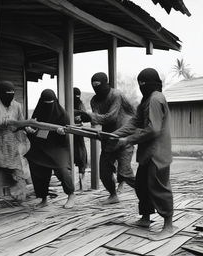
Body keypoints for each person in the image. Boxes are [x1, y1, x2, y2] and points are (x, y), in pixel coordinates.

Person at [108, 68, 174, 240]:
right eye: (140, 83)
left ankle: (168, 226)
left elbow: (153, 129)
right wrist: (117, 134)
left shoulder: (156, 99)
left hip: (158, 153)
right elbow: (135, 122)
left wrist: (127, 140)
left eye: (144, 83)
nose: (142, 86)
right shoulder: (146, 100)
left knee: (159, 188)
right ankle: (145, 218)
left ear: (152, 83)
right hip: (147, 153)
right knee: (142, 186)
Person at [79, 72, 135, 204]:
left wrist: (89, 116)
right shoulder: (94, 100)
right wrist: (84, 121)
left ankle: (145, 192)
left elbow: (111, 116)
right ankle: (113, 195)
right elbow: (97, 121)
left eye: (98, 85)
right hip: (108, 137)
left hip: (124, 135)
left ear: (106, 83)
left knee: (125, 171)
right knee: (104, 170)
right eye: (93, 86)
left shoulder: (116, 95)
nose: (96, 88)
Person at [25, 89, 75, 209]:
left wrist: (60, 132)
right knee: (37, 168)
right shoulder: (38, 111)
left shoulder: (63, 115)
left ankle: (71, 195)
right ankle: (43, 198)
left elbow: (66, 133)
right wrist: (30, 130)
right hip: (41, 146)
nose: (48, 105)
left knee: (63, 170)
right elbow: (34, 128)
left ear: (55, 101)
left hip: (58, 147)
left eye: (50, 102)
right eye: (45, 102)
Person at [0, 80, 28, 202]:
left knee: (17, 170)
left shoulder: (17, 106)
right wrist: (5, 122)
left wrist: (26, 126)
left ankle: (20, 198)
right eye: (6, 93)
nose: (9, 96)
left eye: (12, 93)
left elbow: (21, 121)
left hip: (12, 142)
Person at [73, 87, 88, 190]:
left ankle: (81, 178)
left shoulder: (80, 104)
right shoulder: (66, 103)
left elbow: (85, 115)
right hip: (69, 131)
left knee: (81, 154)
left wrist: (80, 117)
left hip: (78, 132)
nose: (76, 98)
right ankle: (75, 179)